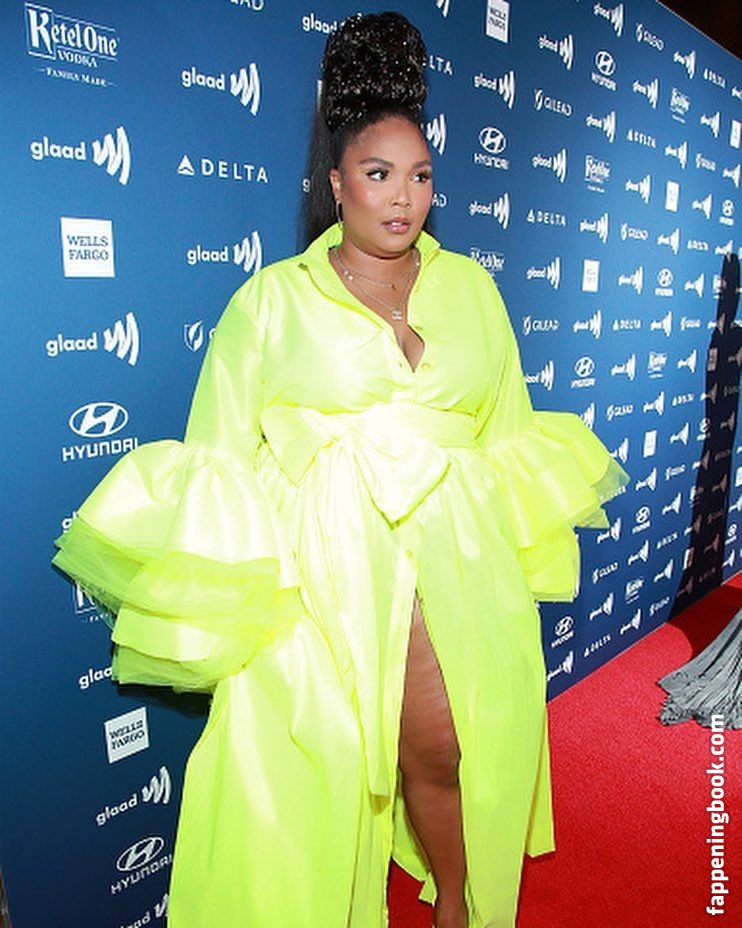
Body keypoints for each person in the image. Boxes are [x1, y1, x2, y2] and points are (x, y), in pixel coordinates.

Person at [52, 12, 629, 928]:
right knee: (324, 770)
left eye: (421, 175)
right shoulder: (272, 300)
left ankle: (458, 904)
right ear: (336, 182)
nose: (403, 198)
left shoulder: (473, 291)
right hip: (323, 576)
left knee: (444, 751)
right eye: (378, 173)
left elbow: (508, 434)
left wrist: (509, 571)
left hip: (456, 561)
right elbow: (218, 454)